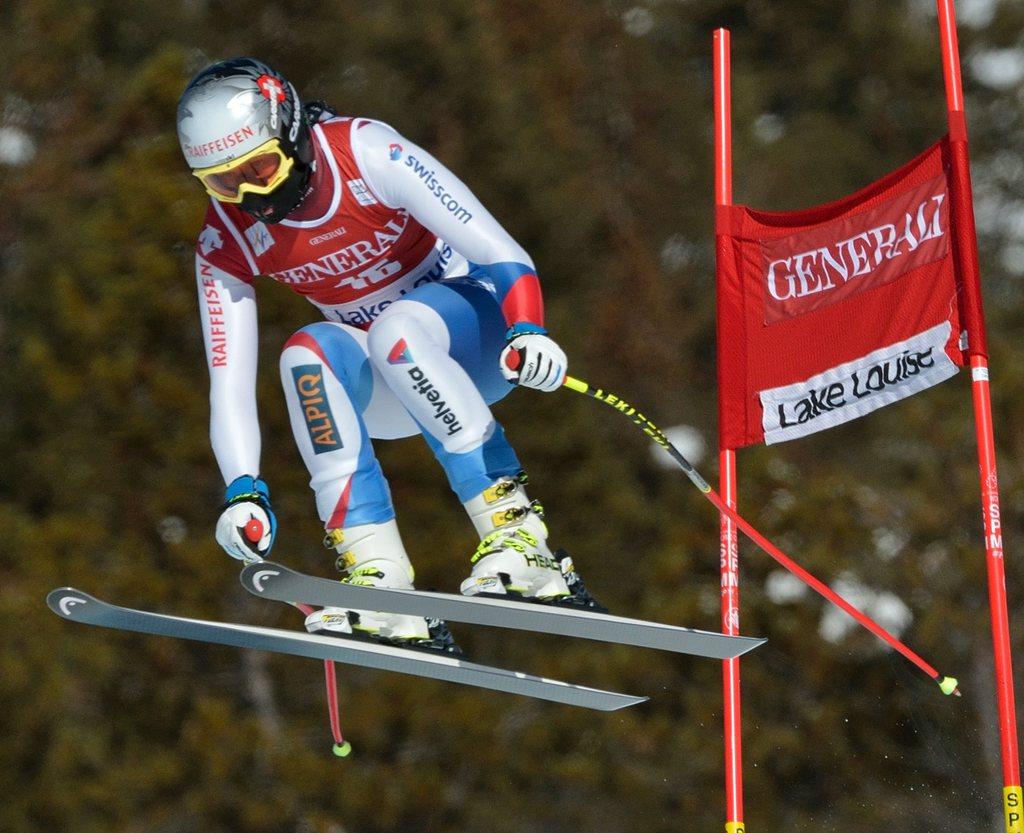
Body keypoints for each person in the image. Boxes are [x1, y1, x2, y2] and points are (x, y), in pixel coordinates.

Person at [177, 57, 586, 648]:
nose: (249, 197)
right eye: (221, 183)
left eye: (260, 169)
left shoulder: (364, 153)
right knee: (304, 354)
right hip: (398, 383)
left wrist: (530, 328)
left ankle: (521, 541)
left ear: (290, 133)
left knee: (397, 328)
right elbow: (229, 384)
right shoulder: (226, 239)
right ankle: (380, 582)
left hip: (480, 340)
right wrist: (242, 490)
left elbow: (500, 248)